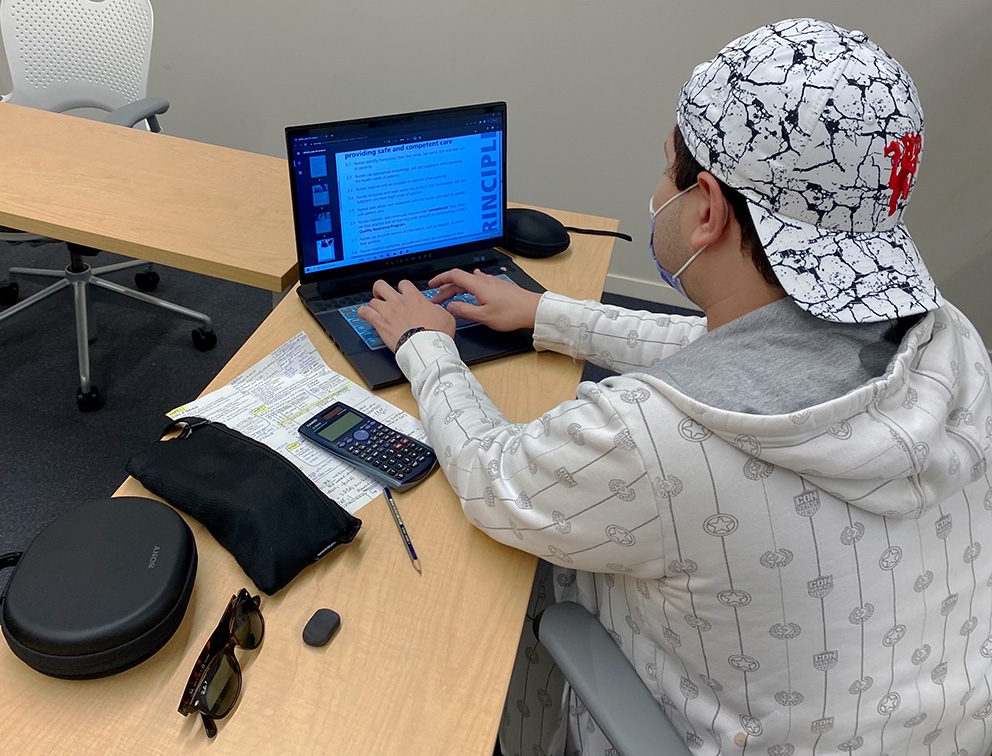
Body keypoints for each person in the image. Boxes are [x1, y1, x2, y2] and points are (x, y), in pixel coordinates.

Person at [358, 18, 992, 756]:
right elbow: (747, 348)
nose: (659, 190)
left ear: (708, 210)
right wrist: (549, 315)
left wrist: (424, 343)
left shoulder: (650, 437)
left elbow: (496, 476)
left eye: (668, 170)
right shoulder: (948, 338)